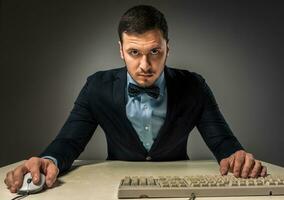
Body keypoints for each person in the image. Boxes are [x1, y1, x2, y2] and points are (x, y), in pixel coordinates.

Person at [4, 5, 267, 193]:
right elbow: (69, 141)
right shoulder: (97, 86)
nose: (145, 65)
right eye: (133, 52)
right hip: (113, 188)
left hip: (178, 189)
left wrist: (236, 157)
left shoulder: (194, 85)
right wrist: (48, 161)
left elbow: (222, 141)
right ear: (120, 50)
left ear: (167, 48)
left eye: (155, 51)